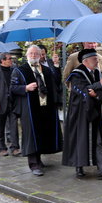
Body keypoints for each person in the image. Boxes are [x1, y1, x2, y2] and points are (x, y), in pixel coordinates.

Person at [62, 48, 102, 179]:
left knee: (98, 141)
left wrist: (96, 94)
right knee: (80, 140)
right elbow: (81, 91)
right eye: (94, 59)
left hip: (97, 112)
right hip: (81, 114)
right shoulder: (76, 75)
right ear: (86, 61)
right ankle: (78, 167)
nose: (97, 61)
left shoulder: (98, 73)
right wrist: (99, 84)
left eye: (97, 59)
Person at [11, 45, 63, 176]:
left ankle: (39, 159)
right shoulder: (20, 70)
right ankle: (33, 164)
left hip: (45, 107)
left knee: (41, 133)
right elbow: (12, 88)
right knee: (31, 135)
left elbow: (56, 83)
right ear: (27, 55)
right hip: (29, 108)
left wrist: (56, 65)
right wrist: (25, 88)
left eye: (36, 54)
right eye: (31, 53)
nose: (33, 56)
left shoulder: (46, 70)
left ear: (40, 56)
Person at [0, 52, 20, 157]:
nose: (11, 60)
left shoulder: (14, 71)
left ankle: (15, 147)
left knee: (14, 126)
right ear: (2, 60)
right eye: (9, 58)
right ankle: (2, 147)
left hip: (12, 103)